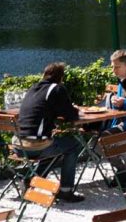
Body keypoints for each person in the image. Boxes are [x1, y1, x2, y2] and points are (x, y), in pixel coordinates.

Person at [15, 62, 85, 202]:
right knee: (73, 145)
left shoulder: (33, 88)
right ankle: (66, 191)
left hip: (18, 145)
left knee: (55, 146)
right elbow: (70, 115)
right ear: (61, 77)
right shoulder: (57, 89)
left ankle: (31, 180)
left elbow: (43, 108)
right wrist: (75, 109)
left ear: (44, 74)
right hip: (35, 146)